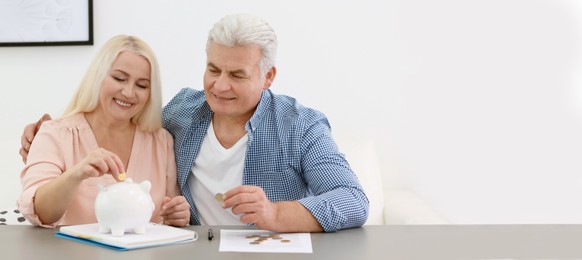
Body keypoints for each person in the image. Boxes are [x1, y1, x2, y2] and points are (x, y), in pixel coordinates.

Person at [21, 14, 368, 232]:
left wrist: (275, 214)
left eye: (237, 74)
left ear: (268, 77)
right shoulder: (181, 114)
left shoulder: (300, 126)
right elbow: (120, 113)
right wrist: (43, 135)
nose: (219, 85)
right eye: (213, 69)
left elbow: (353, 200)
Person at [18, 35, 190, 228]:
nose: (128, 92)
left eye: (141, 85)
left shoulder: (161, 141)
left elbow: (169, 215)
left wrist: (178, 215)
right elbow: (40, 211)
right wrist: (76, 174)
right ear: (98, 76)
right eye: (119, 78)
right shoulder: (55, 135)